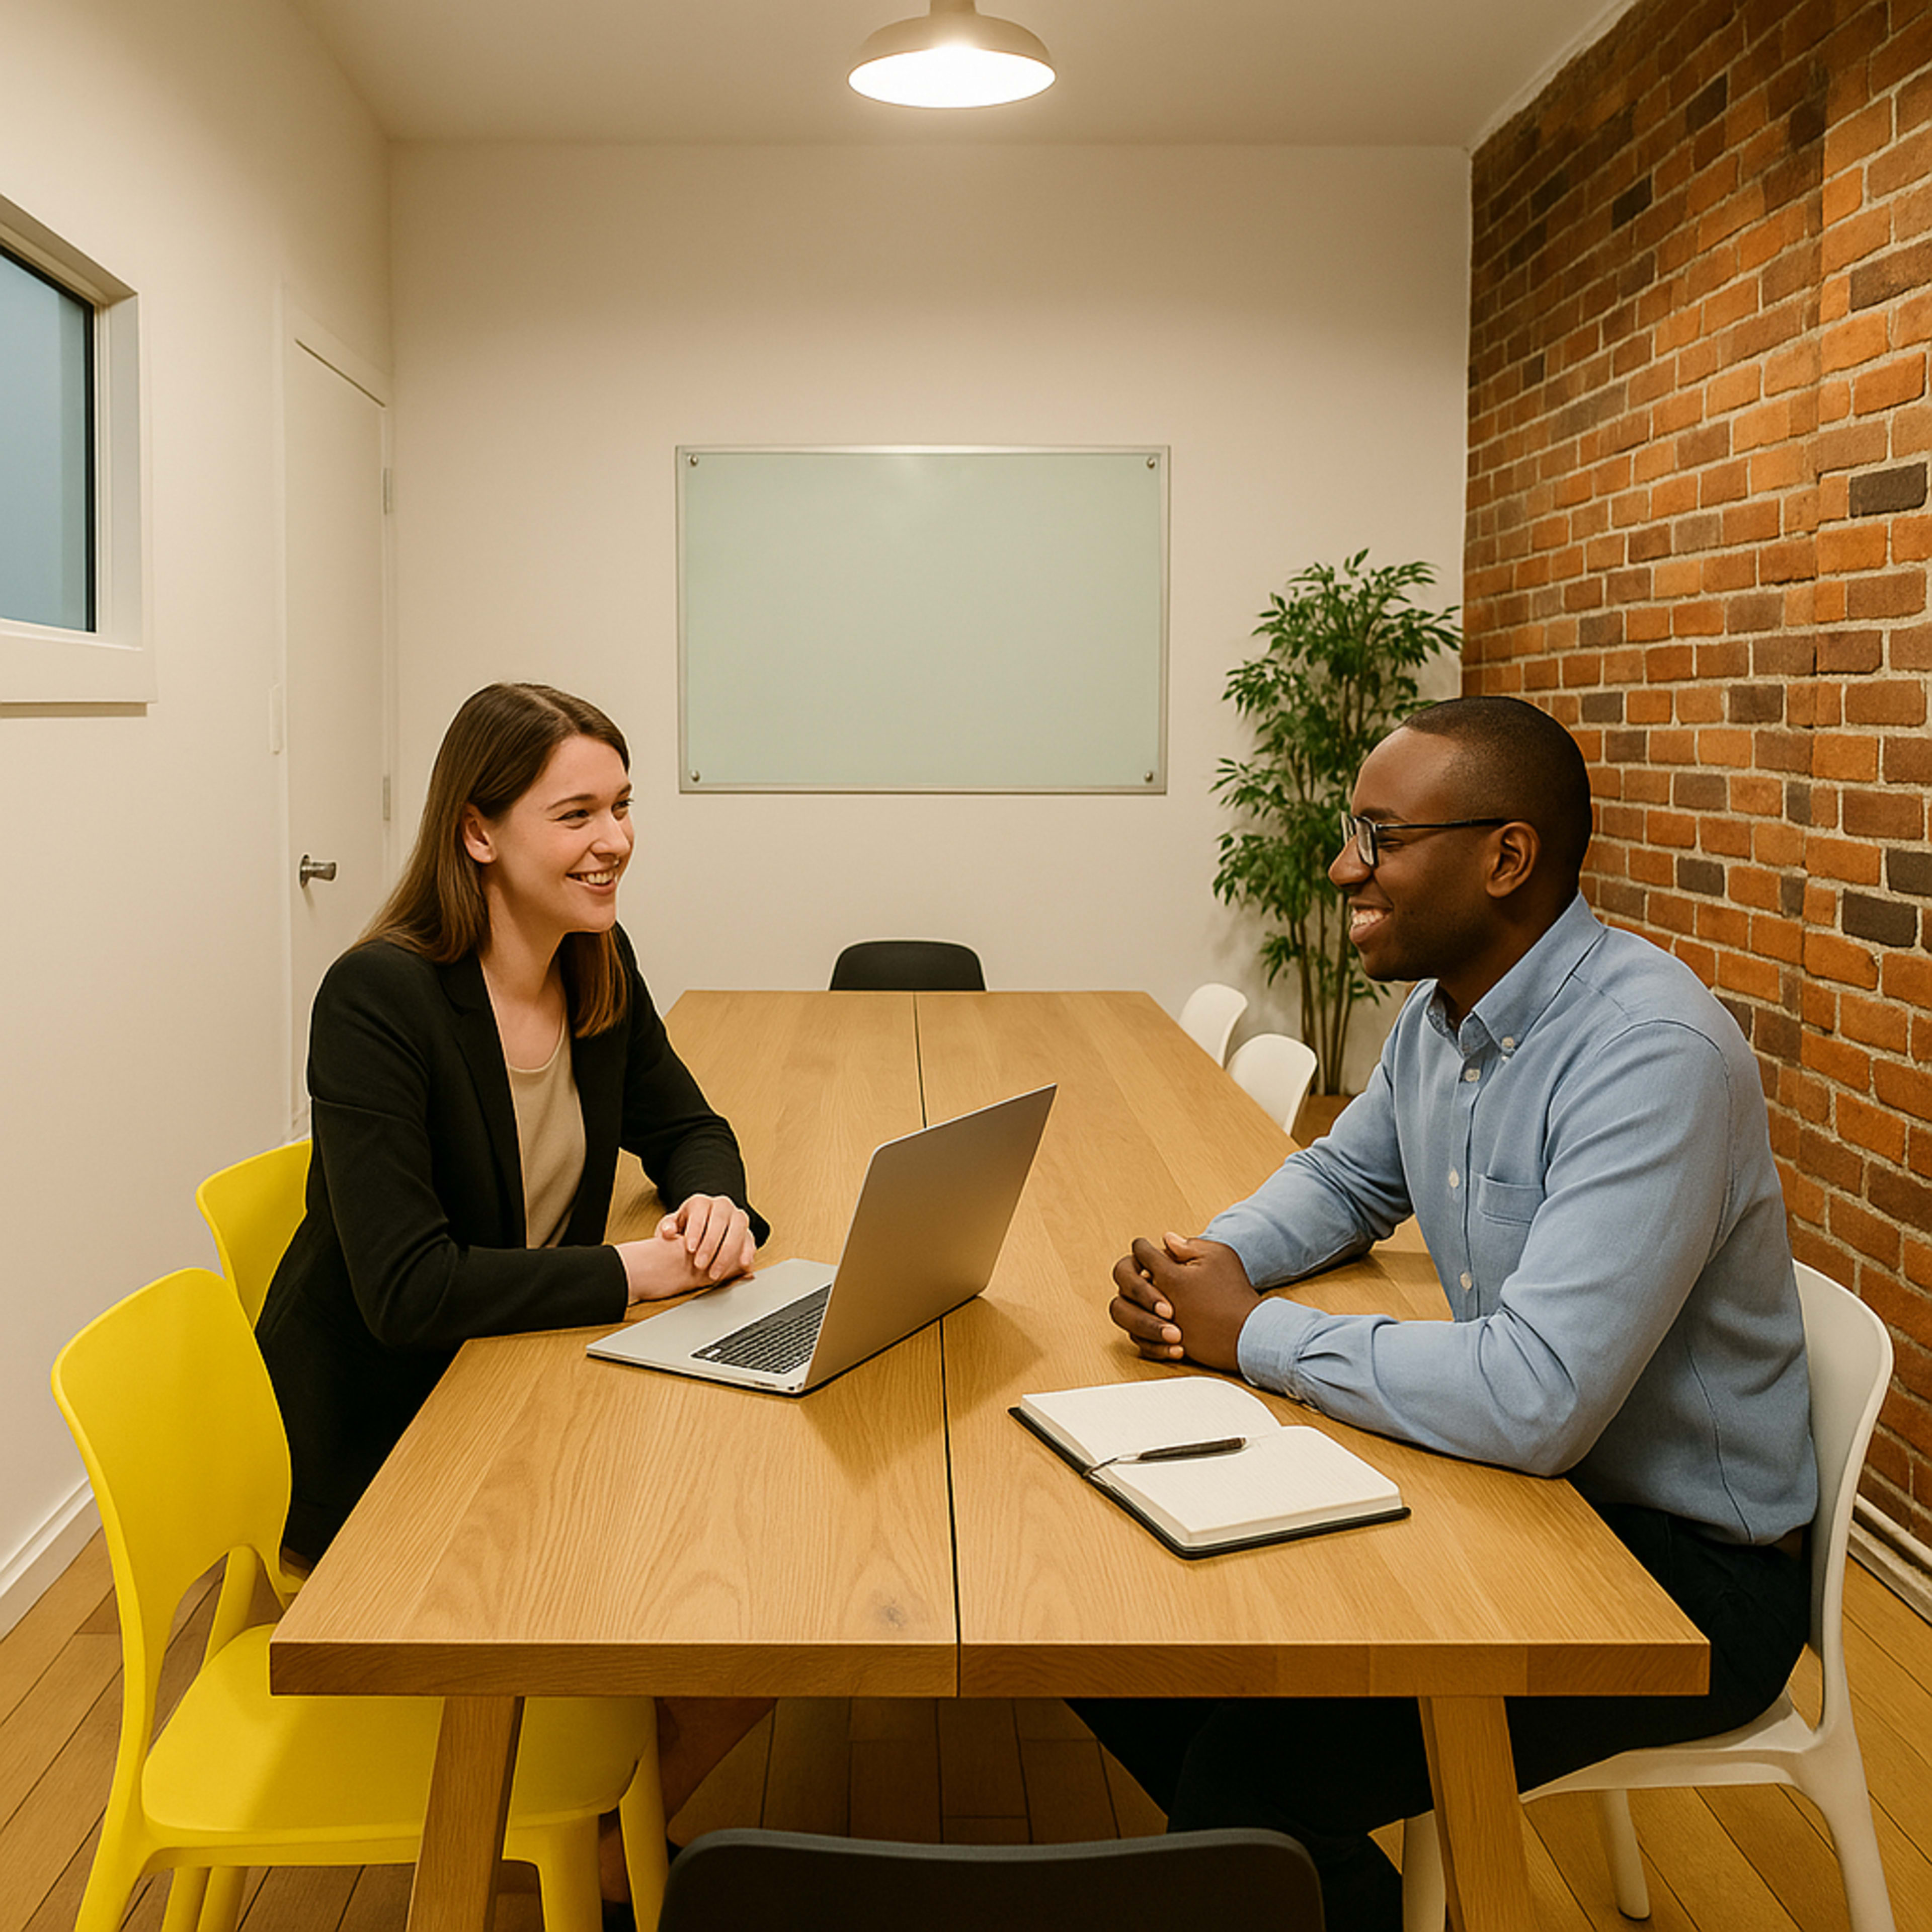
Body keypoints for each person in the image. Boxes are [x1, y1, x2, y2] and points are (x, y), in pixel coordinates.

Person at [1082, 695, 1816, 1932]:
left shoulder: (1649, 1053)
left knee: (1251, 1770)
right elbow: (1346, 1176)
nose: (1342, 866)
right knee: (1128, 1646)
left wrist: (1249, 1333)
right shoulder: (1448, 1015)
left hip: (1685, 1576)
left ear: (1506, 858)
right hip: (1533, 1500)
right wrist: (1205, 1262)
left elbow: (1534, 1396)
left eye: (1379, 836)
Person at [256, 680, 770, 1863]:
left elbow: (690, 1123)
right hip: (387, 1442)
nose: (615, 843)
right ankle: (560, 1844)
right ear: (479, 833)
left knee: (752, 1582)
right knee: (737, 1596)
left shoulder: (594, 958)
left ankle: (588, 1833)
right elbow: (411, 1294)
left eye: (623, 808)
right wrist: (637, 1272)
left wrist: (710, 1204)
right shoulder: (380, 998)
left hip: (523, 1385)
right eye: (576, 813)